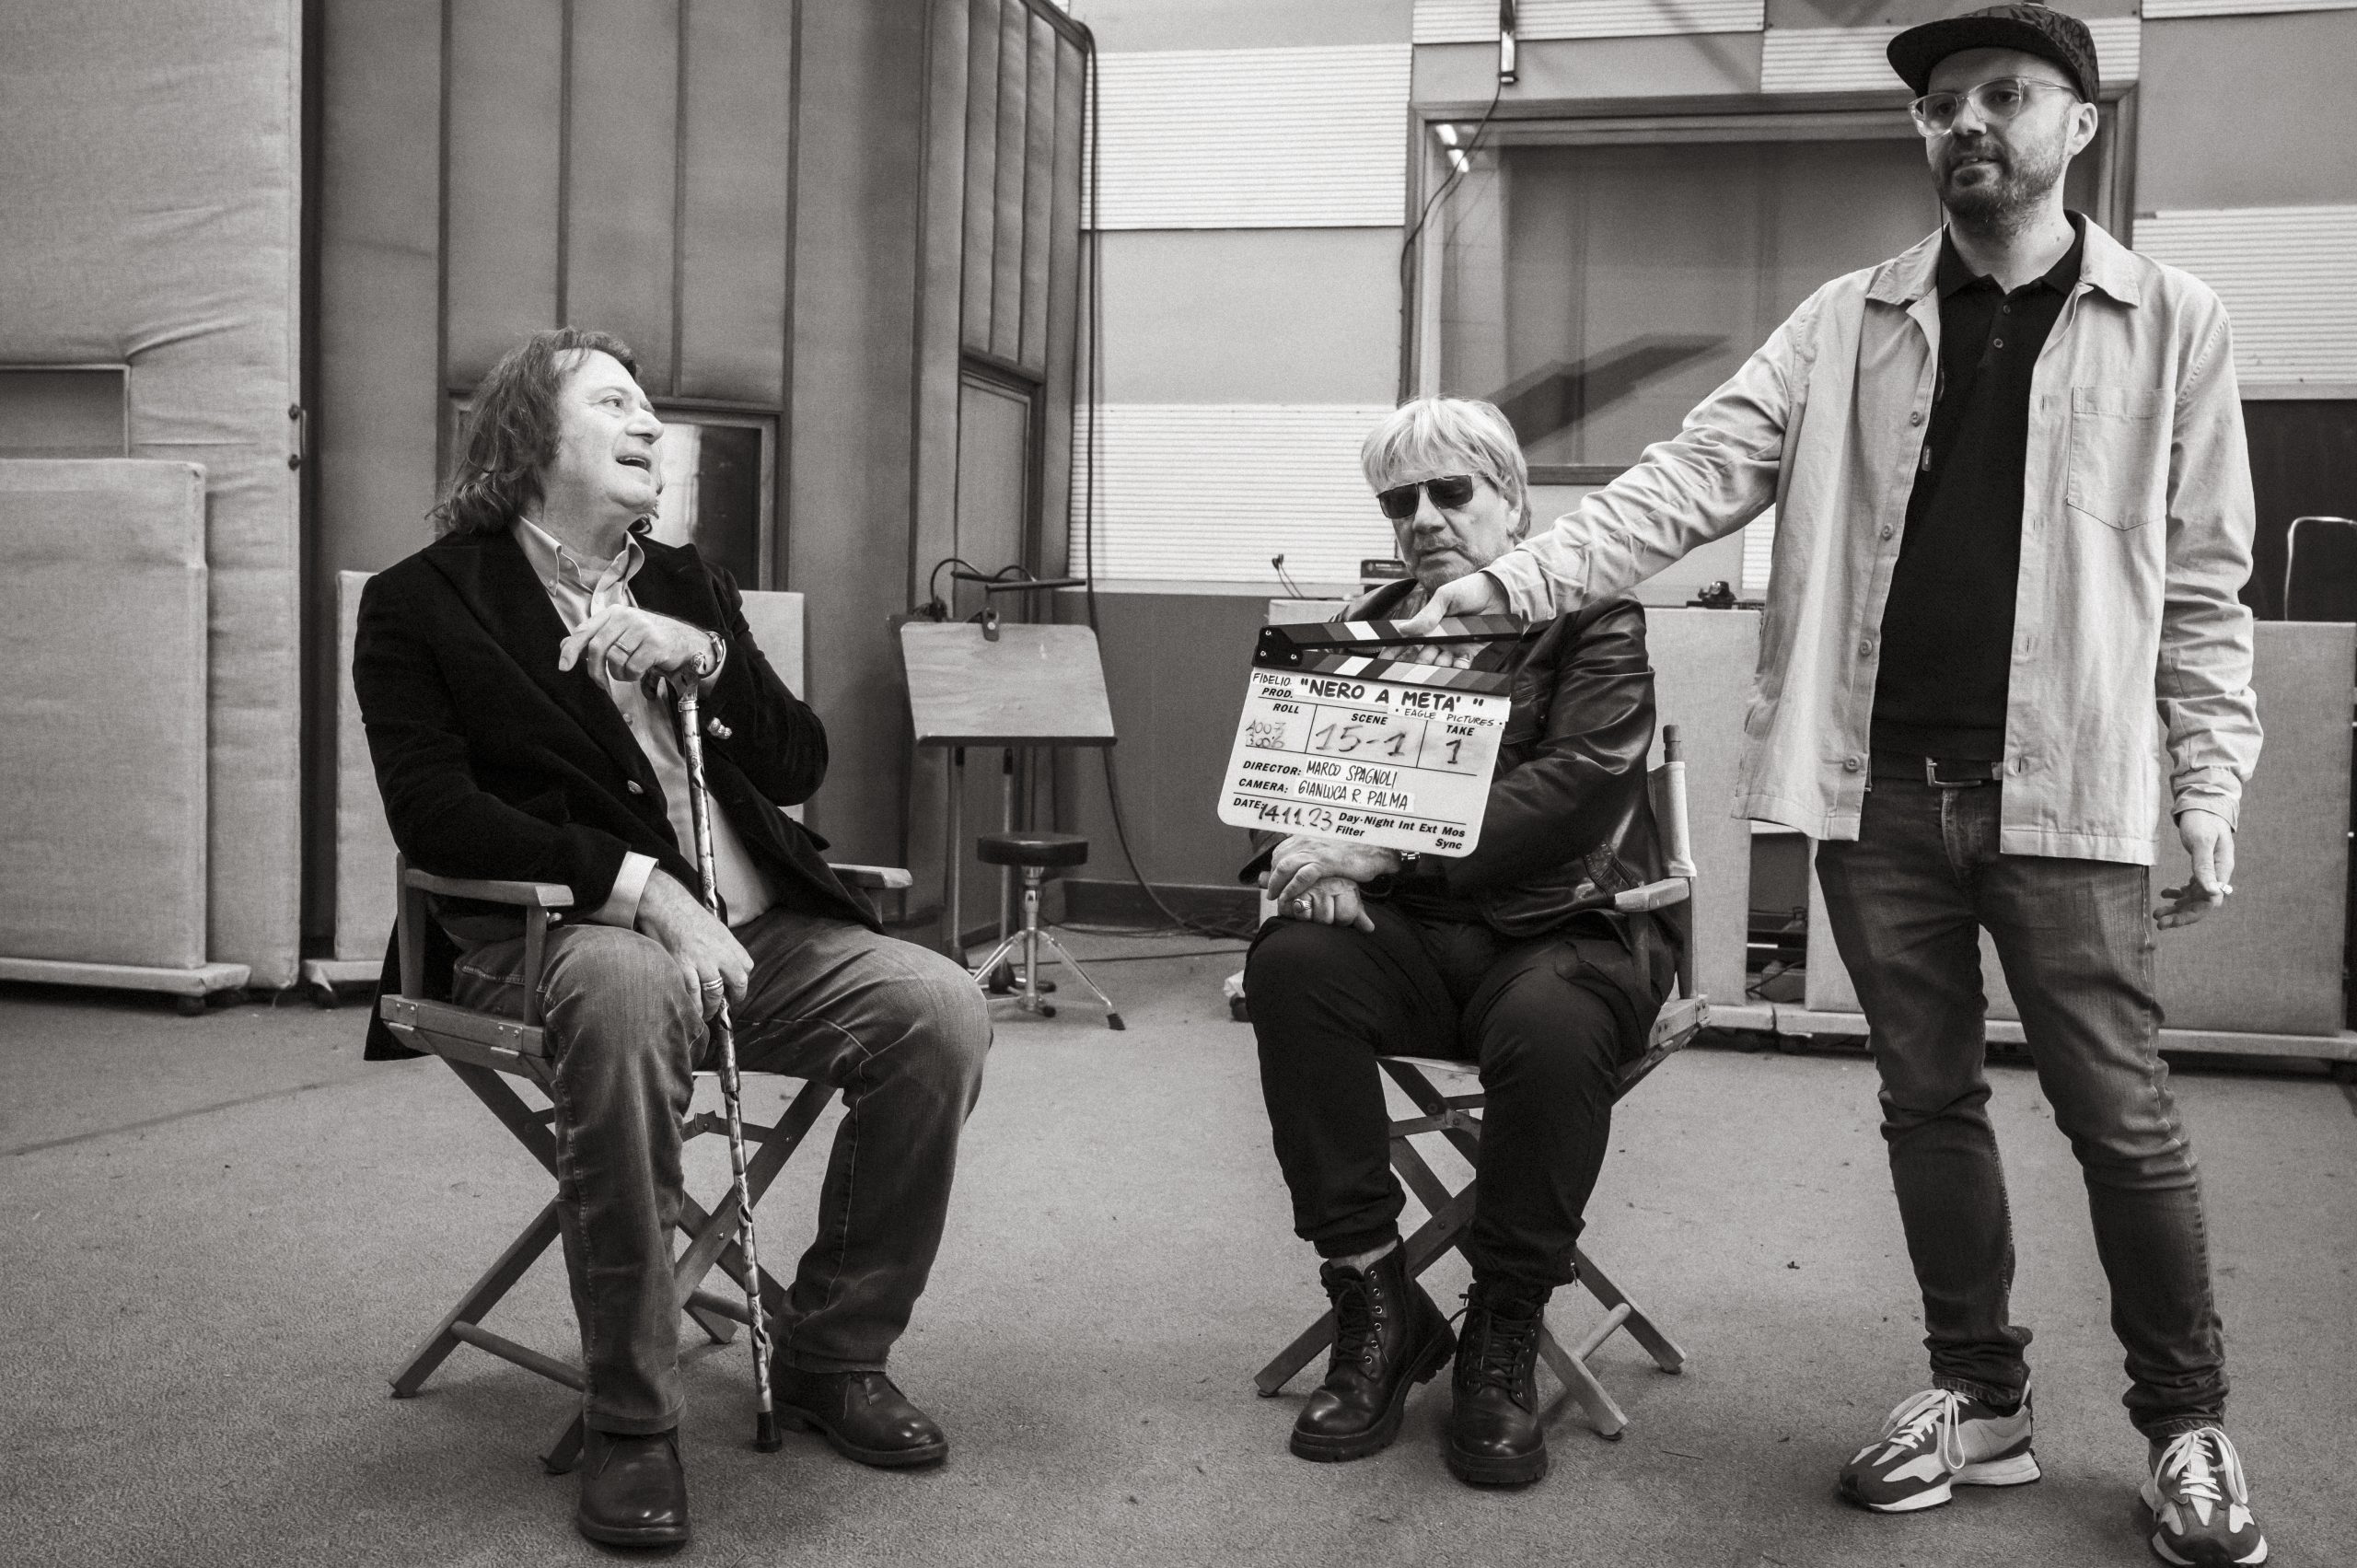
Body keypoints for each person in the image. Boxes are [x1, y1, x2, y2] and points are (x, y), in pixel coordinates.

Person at [1399, 6, 2267, 1562]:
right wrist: (1514, 580)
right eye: (1940, 104)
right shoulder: (1841, 324)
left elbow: (2203, 582)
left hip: (2072, 793)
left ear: (2079, 125)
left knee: (2122, 1117)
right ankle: (1979, 1397)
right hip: (1881, 793)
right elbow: (1686, 480)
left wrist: (2209, 776)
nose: (1966, 122)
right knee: (1927, 1103)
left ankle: (2185, 1423)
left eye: (2005, 94)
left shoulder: (2172, 320)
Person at [355, 328, 991, 1548]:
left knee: (940, 1009)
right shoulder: (422, 600)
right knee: (632, 991)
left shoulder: (692, 581)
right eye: (614, 403)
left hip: (758, 931)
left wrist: (706, 656)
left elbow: (797, 761)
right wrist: (641, 887)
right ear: (529, 437)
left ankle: (832, 1351)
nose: (649, 424)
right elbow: (435, 811)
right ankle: (632, 1418)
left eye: (649, 408)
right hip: (557, 934)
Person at [1243, 397, 1678, 1487]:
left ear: (1511, 499)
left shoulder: (1591, 612)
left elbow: (1577, 786)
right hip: (1413, 936)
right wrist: (1306, 862)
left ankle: (1503, 1325)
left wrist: (1379, 849)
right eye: (1401, 502)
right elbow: (1281, 784)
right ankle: (1375, 1298)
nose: (1425, 519)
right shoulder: (1364, 624)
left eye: (1451, 492)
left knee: (1552, 1025)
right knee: (1289, 965)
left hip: (1567, 924)